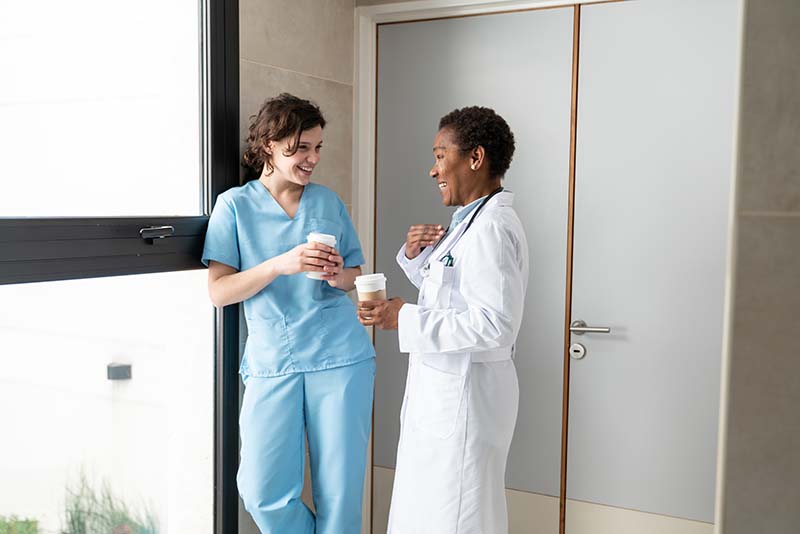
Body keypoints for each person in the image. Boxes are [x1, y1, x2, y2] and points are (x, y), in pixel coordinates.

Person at [202, 93, 375, 534]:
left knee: (340, 495)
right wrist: (281, 263)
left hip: (340, 356)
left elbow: (354, 274)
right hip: (272, 362)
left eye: (317, 148)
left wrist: (339, 274)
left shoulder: (328, 202)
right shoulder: (235, 206)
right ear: (268, 145)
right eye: (300, 148)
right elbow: (220, 292)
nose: (311, 158)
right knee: (262, 490)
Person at [358, 106, 528, 533]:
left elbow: (494, 324)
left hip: (467, 398)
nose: (432, 170)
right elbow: (457, 294)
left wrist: (405, 318)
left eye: (440, 156)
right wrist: (419, 262)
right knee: (433, 511)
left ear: (475, 158)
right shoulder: (471, 221)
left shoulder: (490, 227)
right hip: (448, 394)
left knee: (455, 518)